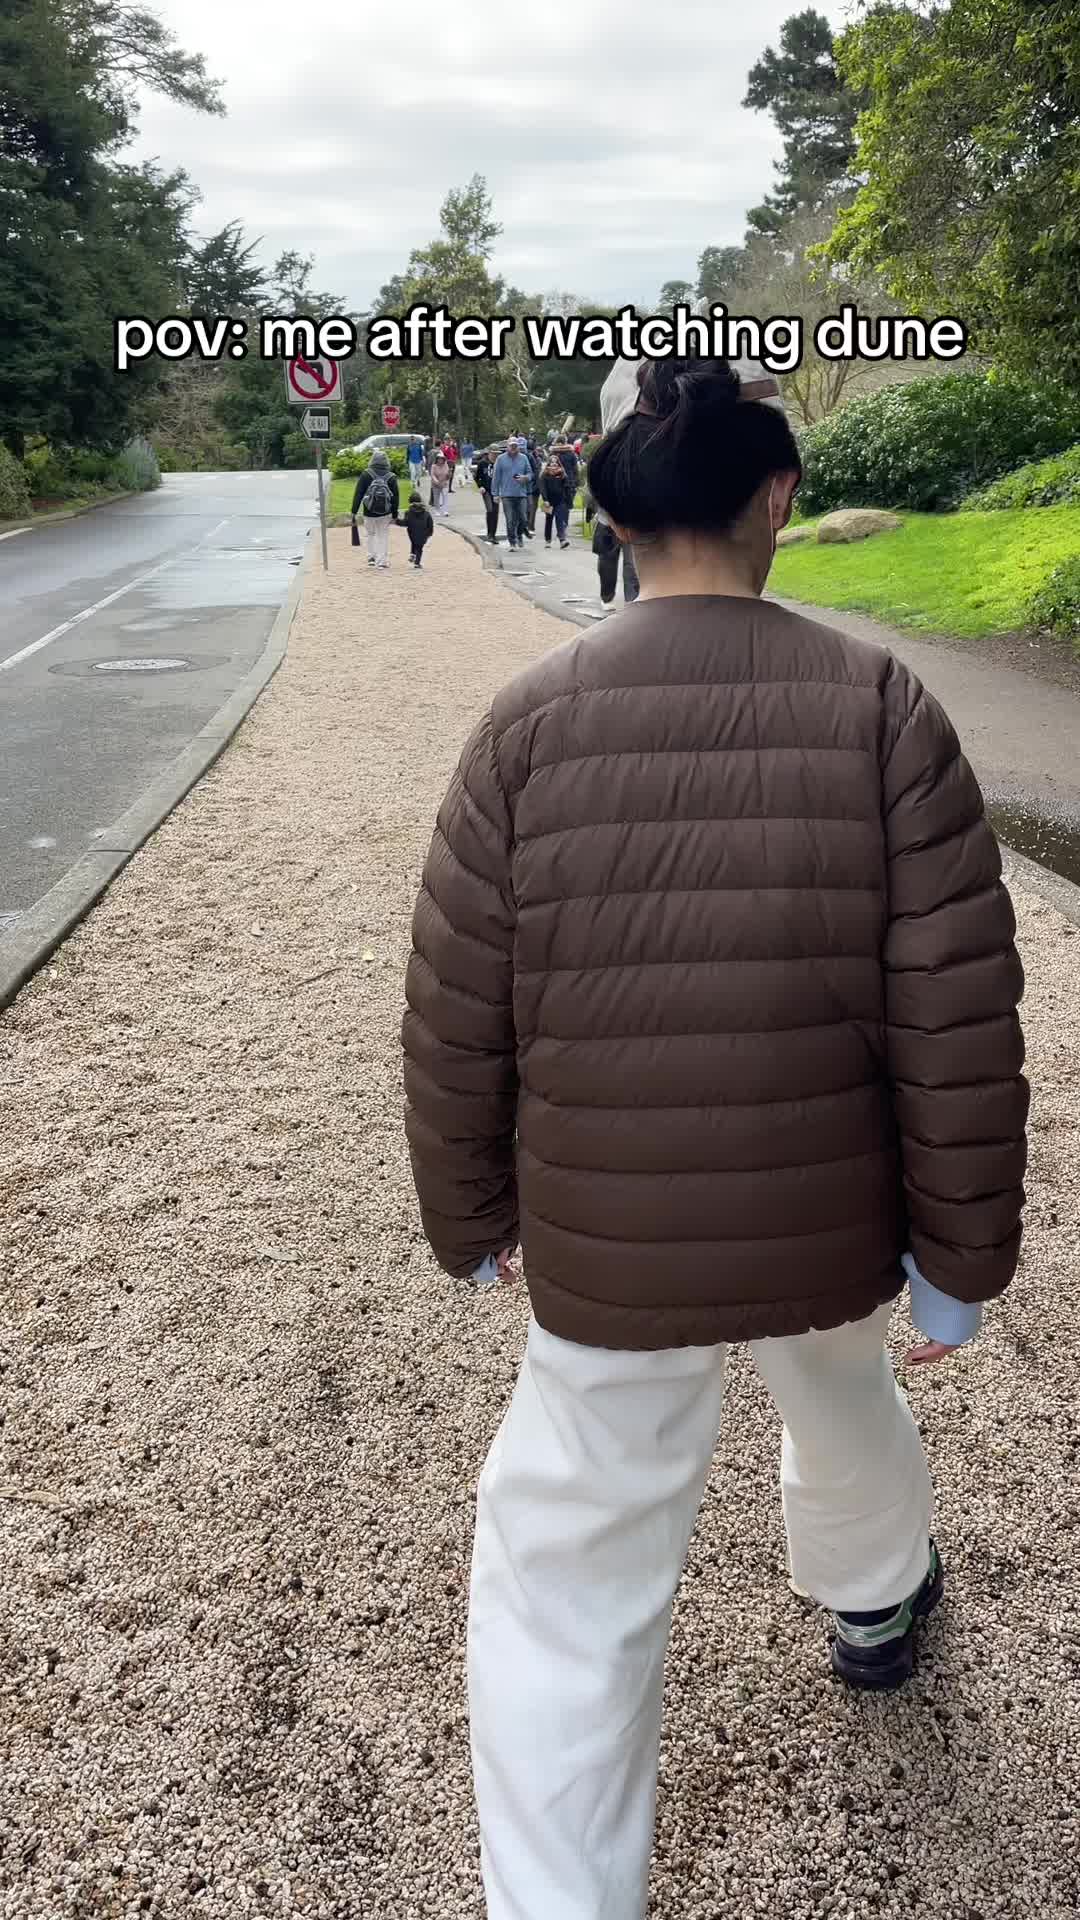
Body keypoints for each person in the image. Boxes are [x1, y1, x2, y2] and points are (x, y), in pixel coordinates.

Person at [401, 355, 1029, 1920]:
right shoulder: (881, 707)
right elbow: (957, 1014)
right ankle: (874, 1605)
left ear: (612, 513)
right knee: (842, 1378)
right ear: (778, 499)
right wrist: (959, 1264)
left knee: (567, 1564)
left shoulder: (524, 725)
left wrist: (468, 1214)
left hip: (610, 1234)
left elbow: (460, 1007)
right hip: (832, 1213)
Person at [585, 489, 638, 606]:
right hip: (607, 524)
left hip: (631, 525)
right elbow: (592, 491)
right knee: (607, 564)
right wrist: (590, 511)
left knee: (632, 565)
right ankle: (607, 597)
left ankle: (631, 601)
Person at [350, 449, 399, 569]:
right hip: (385, 512)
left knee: (370, 534)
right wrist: (394, 514)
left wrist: (354, 511)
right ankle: (382, 561)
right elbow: (395, 497)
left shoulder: (366, 474)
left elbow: (358, 493)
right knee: (383, 535)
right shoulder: (391, 477)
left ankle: (371, 558)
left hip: (369, 511)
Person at [491, 436, 532, 550]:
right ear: (507, 447)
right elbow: (496, 477)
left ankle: (519, 534)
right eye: (511, 446)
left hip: (521, 493)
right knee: (510, 520)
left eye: (515, 446)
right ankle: (512, 542)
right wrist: (495, 494)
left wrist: (525, 478)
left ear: (518, 447)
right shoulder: (501, 459)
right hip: (506, 494)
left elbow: (530, 474)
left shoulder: (523, 458)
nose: (513, 448)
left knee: (523, 518)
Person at [540, 452, 572, 548]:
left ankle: (562, 540)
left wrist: (568, 501)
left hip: (560, 501)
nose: (554, 464)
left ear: (558, 464)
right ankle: (548, 540)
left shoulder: (562, 474)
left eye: (555, 463)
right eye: (552, 462)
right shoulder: (544, 475)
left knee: (560, 520)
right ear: (549, 464)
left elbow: (567, 488)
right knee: (549, 520)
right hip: (548, 502)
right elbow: (543, 488)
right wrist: (545, 499)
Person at [473, 446, 501, 543]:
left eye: (497, 454)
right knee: (490, 510)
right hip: (486, 490)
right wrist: (480, 486)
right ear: (489, 453)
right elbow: (477, 477)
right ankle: (489, 534)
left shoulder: (499, 463)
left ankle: (493, 534)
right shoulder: (482, 463)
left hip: (496, 491)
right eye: (493, 453)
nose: (495, 455)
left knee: (495, 511)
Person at [404, 491, 434, 568]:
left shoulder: (408, 512)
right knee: (419, 547)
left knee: (414, 542)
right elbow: (430, 523)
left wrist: (396, 521)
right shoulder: (426, 513)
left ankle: (412, 554)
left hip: (412, 532)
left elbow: (405, 522)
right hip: (423, 533)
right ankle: (417, 563)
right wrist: (430, 533)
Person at [429, 449, 451, 517]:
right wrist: (436, 481)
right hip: (435, 484)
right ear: (437, 459)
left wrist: (449, 474)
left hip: (444, 484)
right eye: (439, 459)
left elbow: (447, 476)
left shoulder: (446, 465)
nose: (440, 460)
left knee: (445, 497)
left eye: (442, 459)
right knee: (436, 498)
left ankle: (445, 511)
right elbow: (432, 475)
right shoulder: (433, 466)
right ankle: (437, 510)